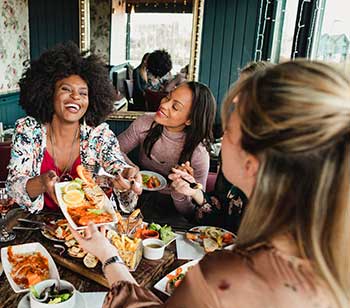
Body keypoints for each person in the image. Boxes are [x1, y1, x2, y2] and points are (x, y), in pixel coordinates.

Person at [72, 60, 350, 308]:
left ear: (251, 164)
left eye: (229, 129)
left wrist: (109, 256)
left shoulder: (224, 282)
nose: (219, 137)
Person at [7, 41, 141, 213]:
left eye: (83, 93)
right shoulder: (28, 130)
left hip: (92, 225)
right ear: (49, 93)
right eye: (66, 89)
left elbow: (116, 165)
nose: (76, 97)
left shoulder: (99, 135)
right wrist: (42, 183)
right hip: (40, 223)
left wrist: (126, 178)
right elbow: (14, 186)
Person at [169, 61, 272, 233]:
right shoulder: (231, 148)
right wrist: (195, 191)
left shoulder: (280, 166)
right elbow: (220, 212)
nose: (235, 98)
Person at [117, 81, 216, 215]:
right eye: (168, 97)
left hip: (173, 213)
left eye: (175, 106)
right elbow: (114, 150)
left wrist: (179, 191)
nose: (163, 104)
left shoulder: (199, 153)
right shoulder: (145, 123)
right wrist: (130, 168)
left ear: (190, 120)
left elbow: (194, 211)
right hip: (136, 195)